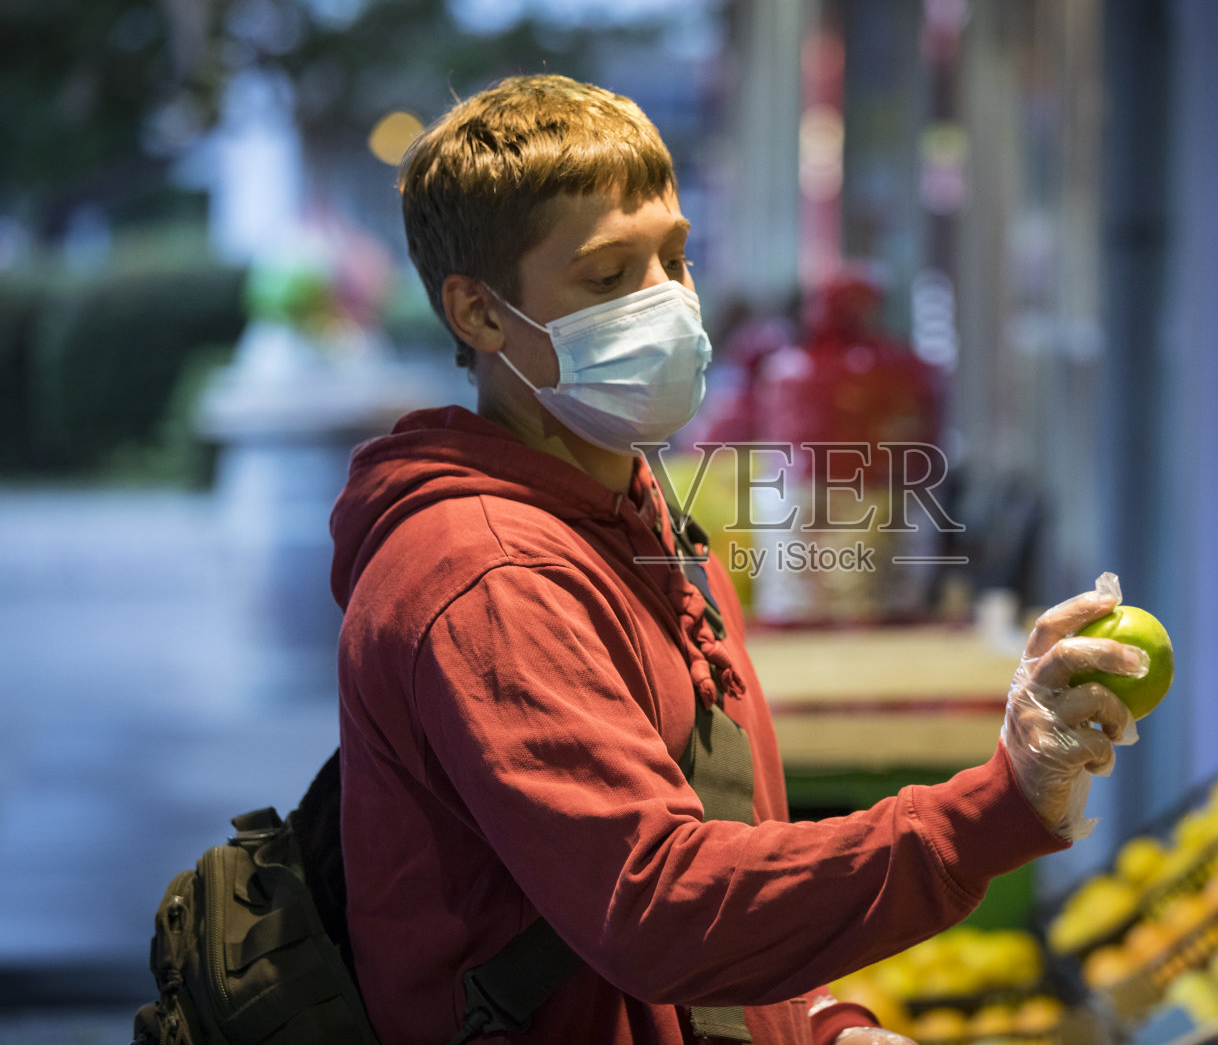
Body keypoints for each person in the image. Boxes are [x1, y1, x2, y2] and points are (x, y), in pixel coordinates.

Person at [330, 74, 1144, 1045]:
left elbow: (726, 844)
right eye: (606, 275)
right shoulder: (488, 580)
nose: (666, 303)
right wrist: (993, 803)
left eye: (673, 257)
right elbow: (661, 908)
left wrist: (820, 1021)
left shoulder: (640, 520)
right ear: (479, 311)